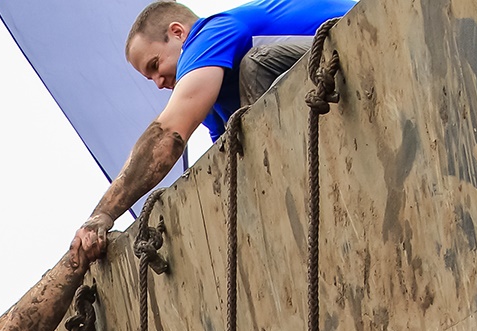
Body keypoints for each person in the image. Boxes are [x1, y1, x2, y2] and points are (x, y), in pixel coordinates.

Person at [73, 0, 356, 263]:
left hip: (352, 41)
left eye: (155, 65)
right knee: (236, 137)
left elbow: (168, 134)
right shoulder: (214, 96)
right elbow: (225, 157)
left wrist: (104, 213)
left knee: (255, 65)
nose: (159, 83)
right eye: (150, 78)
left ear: (178, 33)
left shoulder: (210, 34)